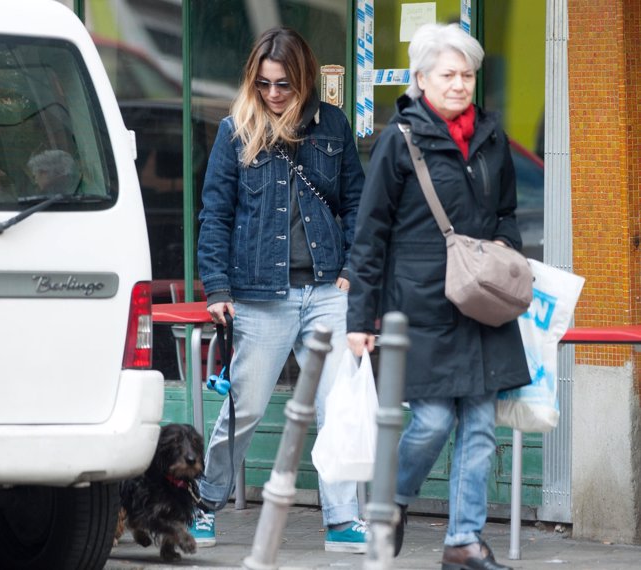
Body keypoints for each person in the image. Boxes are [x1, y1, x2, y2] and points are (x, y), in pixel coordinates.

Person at [346, 23, 530, 569]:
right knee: (431, 422)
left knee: (479, 429)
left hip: (484, 306)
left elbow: (507, 216)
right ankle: (391, 502)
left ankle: (464, 540)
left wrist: (502, 248)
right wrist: (362, 316)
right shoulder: (399, 140)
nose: (459, 84)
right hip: (420, 306)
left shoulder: (492, 140)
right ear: (422, 79)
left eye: (467, 74)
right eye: (448, 75)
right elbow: (369, 232)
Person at [195, 27, 366, 553]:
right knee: (245, 407)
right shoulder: (234, 131)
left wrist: (354, 268)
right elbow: (216, 214)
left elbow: (358, 201)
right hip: (259, 294)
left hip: (325, 290)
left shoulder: (332, 126)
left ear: (304, 81)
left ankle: (341, 518)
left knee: (337, 405)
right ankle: (202, 502)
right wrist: (217, 286)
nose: (273, 94)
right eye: (265, 83)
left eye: (285, 85)